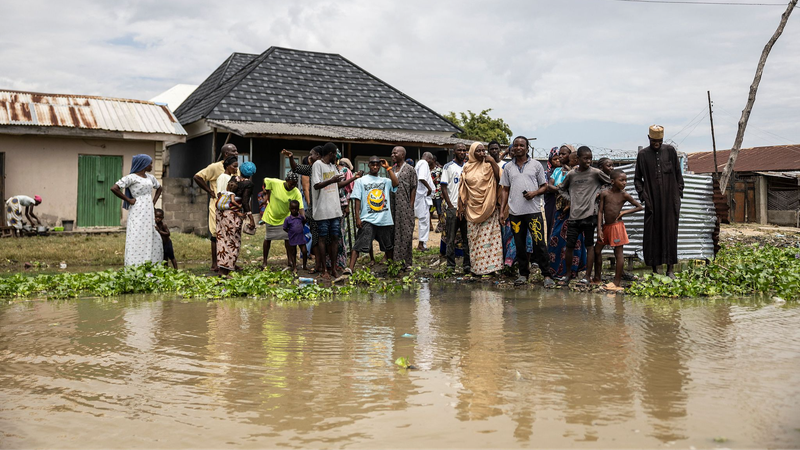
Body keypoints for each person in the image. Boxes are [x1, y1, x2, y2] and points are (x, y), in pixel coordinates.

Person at [499, 136, 554, 286]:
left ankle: (546, 275)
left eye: (521, 145)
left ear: (527, 148)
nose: (518, 148)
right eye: (515, 145)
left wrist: (534, 193)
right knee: (519, 244)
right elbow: (505, 189)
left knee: (539, 243)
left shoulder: (536, 165)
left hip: (533, 211)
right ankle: (523, 274)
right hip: (515, 212)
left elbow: (545, 186)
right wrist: (502, 210)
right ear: (512, 148)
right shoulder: (508, 167)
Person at [635, 125, 684, 278]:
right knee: (652, 234)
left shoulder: (670, 151)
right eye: (654, 141)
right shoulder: (643, 155)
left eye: (660, 141)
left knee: (670, 233)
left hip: (670, 201)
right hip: (652, 202)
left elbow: (678, 174)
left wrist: (678, 194)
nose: (657, 144)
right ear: (649, 138)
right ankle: (655, 270)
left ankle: (670, 270)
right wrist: (644, 196)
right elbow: (637, 179)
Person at [557, 146, 610, 285]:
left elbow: (610, 184)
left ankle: (587, 276)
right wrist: (571, 199)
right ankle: (568, 275)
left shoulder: (595, 173)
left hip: (590, 214)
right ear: (578, 159)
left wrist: (600, 194)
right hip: (574, 215)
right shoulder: (572, 175)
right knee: (569, 245)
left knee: (589, 245)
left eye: (590, 158)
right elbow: (561, 189)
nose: (588, 161)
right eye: (585, 158)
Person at [312, 142, 361, 279]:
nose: (336, 157)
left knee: (335, 237)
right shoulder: (318, 165)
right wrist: (331, 179)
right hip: (322, 209)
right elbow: (316, 185)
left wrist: (353, 178)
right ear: (331, 153)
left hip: (335, 209)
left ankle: (333, 268)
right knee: (322, 238)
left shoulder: (333, 166)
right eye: (335, 154)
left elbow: (338, 184)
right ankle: (324, 270)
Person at [347, 156, 399, 274]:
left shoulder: (385, 181)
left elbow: (396, 183)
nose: (375, 166)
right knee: (359, 244)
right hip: (368, 219)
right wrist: (357, 217)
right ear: (368, 165)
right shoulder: (361, 181)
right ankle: (350, 269)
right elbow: (357, 199)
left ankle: (391, 269)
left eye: (377, 164)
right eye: (372, 164)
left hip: (384, 219)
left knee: (388, 246)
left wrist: (388, 168)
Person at [110, 154, 163, 266]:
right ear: (144, 164)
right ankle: (136, 264)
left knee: (152, 233)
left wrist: (153, 202)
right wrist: (128, 200)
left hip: (148, 209)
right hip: (138, 209)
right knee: (137, 233)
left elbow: (159, 188)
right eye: (150, 163)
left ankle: (151, 263)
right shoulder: (131, 178)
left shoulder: (150, 178)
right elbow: (114, 188)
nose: (151, 166)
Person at [458, 142, 502, 276]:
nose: (482, 153)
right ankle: (477, 268)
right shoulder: (467, 167)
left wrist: (493, 163)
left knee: (491, 238)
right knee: (474, 239)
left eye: (483, 151)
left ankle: (492, 268)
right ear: (472, 153)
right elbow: (462, 188)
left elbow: (500, 179)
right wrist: (460, 206)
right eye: (478, 151)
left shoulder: (489, 165)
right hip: (472, 208)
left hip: (489, 206)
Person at [595, 170, 643, 291]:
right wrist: (599, 228)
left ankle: (617, 282)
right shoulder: (604, 194)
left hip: (617, 227)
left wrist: (624, 212)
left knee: (618, 253)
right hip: (606, 226)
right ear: (612, 181)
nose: (624, 183)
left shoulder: (624, 195)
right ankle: (597, 278)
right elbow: (600, 211)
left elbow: (639, 206)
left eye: (625, 180)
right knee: (597, 250)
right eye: (621, 180)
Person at [194, 143, 239, 271]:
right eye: (234, 151)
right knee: (216, 234)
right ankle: (215, 263)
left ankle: (230, 262)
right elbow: (197, 177)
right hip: (218, 205)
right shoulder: (215, 167)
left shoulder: (236, 167)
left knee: (231, 234)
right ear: (226, 154)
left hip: (232, 206)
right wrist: (209, 191)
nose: (236, 153)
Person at [547, 144, 587, 279]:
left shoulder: (577, 170)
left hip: (574, 211)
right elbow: (549, 186)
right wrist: (561, 189)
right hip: (560, 209)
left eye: (565, 154)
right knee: (556, 238)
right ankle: (556, 270)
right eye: (560, 154)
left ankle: (572, 271)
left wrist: (559, 189)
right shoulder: (557, 171)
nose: (561, 156)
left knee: (573, 241)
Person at [216, 161, 255, 276]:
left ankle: (222, 270)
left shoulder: (233, 179)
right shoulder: (248, 184)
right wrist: (251, 218)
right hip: (234, 215)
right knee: (234, 241)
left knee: (222, 239)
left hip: (222, 213)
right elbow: (244, 201)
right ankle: (226, 271)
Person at [261, 172, 305, 268]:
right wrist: (267, 194)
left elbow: (300, 207)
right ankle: (264, 261)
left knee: (288, 239)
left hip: (285, 218)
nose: (293, 186)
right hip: (271, 216)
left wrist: (303, 219)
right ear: (286, 181)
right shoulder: (276, 183)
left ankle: (290, 260)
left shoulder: (296, 192)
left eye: (295, 184)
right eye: (291, 183)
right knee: (268, 238)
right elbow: (265, 180)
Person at [440, 142, 470, 273]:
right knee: (451, 238)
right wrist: (450, 205)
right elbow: (444, 187)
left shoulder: (469, 166)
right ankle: (450, 265)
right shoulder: (448, 167)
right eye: (459, 150)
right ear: (454, 152)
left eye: (464, 150)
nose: (462, 152)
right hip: (453, 207)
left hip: (466, 208)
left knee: (466, 238)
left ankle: (467, 265)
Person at [391, 146, 418, 269]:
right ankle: (395, 260)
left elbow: (413, 187)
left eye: (395, 153)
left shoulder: (410, 169)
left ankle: (406, 262)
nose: (392, 155)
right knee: (394, 232)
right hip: (392, 205)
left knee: (406, 232)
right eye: (392, 153)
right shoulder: (391, 169)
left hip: (405, 205)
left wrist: (411, 205)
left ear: (402, 155)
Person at [414, 152, 435, 250]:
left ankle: (423, 243)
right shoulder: (423, 163)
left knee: (424, 220)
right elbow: (421, 178)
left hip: (423, 197)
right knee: (424, 220)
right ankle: (421, 244)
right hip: (422, 196)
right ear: (429, 159)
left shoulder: (420, 163)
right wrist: (429, 188)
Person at [283, 200, 308, 274]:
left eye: (296, 209)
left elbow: (304, 222)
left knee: (304, 251)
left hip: (301, 237)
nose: (294, 210)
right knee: (293, 252)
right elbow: (284, 228)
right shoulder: (288, 219)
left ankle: (304, 265)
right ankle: (294, 267)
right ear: (290, 209)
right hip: (293, 237)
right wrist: (290, 232)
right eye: (292, 209)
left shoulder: (301, 218)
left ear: (298, 209)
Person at [543, 147, 562, 239]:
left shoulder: (567, 172)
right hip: (551, 204)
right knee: (550, 225)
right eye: (555, 159)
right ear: (550, 160)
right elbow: (545, 187)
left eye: (559, 158)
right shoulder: (546, 173)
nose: (557, 161)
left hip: (563, 204)